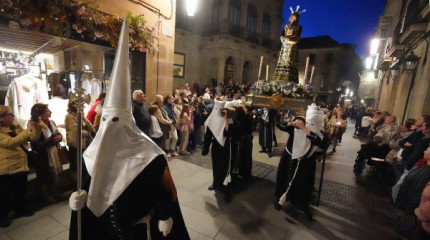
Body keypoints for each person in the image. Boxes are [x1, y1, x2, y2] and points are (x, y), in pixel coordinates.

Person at [68, 20, 189, 239]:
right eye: (105, 121)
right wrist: (76, 200)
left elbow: (165, 190)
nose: (109, 128)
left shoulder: (151, 156)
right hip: (105, 231)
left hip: (138, 231)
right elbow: (87, 189)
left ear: (127, 123)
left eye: (115, 121)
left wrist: (164, 214)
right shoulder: (92, 154)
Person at [274, 106, 324, 220]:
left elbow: (319, 141)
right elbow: (278, 124)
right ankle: (279, 197)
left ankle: (302, 204)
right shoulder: (293, 128)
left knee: (303, 183)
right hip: (289, 157)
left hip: (305, 161)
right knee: (283, 177)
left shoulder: (313, 131)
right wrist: (290, 124)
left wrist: (305, 129)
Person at [0, 105, 41, 227]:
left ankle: (20, 210)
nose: (13, 117)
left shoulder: (16, 128)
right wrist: (28, 130)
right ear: (1, 118)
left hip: (20, 165)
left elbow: (32, 138)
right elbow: (10, 143)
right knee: (4, 195)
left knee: (20, 190)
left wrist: (35, 127)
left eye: (13, 114)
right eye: (10, 114)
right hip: (6, 168)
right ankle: (3, 217)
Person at [30, 103, 63, 203]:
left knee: (54, 176)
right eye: (47, 111)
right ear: (40, 114)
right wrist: (50, 141)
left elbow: (57, 133)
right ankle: (46, 196)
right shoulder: (35, 125)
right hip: (42, 156)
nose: (50, 112)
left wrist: (59, 137)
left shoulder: (51, 122)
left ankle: (54, 193)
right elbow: (35, 145)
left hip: (52, 152)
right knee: (44, 177)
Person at [202, 100, 232, 200]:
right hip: (216, 145)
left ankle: (223, 184)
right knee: (215, 164)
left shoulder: (228, 119)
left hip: (225, 145)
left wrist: (226, 119)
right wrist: (205, 147)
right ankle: (215, 183)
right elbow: (208, 135)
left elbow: (228, 134)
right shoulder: (212, 119)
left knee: (224, 165)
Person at [65, 101, 94, 184]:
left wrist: (84, 119)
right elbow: (75, 131)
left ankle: (83, 183)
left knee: (83, 165)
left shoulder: (80, 116)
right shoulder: (69, 117)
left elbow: (91, 129)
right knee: (75, 165)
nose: (83, 108)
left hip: (84, 145)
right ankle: (76, 184)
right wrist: (85, 132)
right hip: (75, 145)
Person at [273, 7, 303, 83]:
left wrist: (289, 39)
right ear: (290, 17)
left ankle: (290, 78)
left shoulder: (299, 27)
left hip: (292, 47)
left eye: (296, 18)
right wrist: (284, 39)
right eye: (293, 17)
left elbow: (297, 37)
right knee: (283, 61)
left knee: (290, 61)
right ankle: (280, 76)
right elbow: (281, 35)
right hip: (285, 47)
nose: (294, 19)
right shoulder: (285, 27)